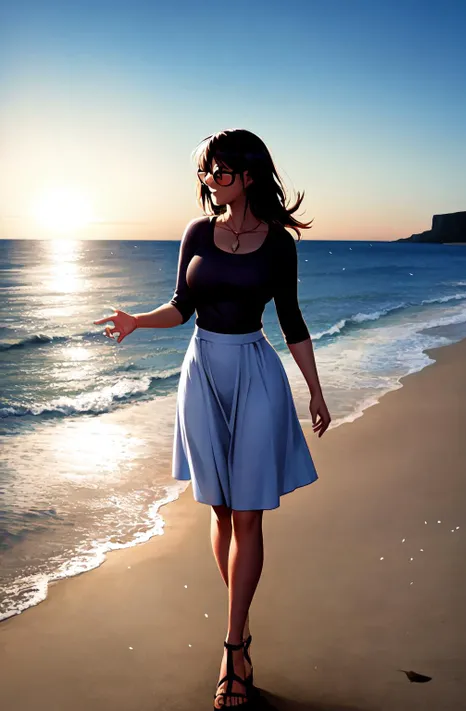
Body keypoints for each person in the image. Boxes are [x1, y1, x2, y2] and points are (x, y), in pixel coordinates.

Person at [93, 128, 331, 708]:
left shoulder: (278, 243)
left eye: (220, 172)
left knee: (249, 513)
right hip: (202, 372)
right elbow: (181, 306)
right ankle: (243, 630)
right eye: (205, 172)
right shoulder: (198, 232)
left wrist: (315, 392)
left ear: (248, 175)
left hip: (254, 371)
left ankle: (231, 651)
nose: (210, 181)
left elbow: (292, 320)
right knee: (221, 509)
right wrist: (135, 321)